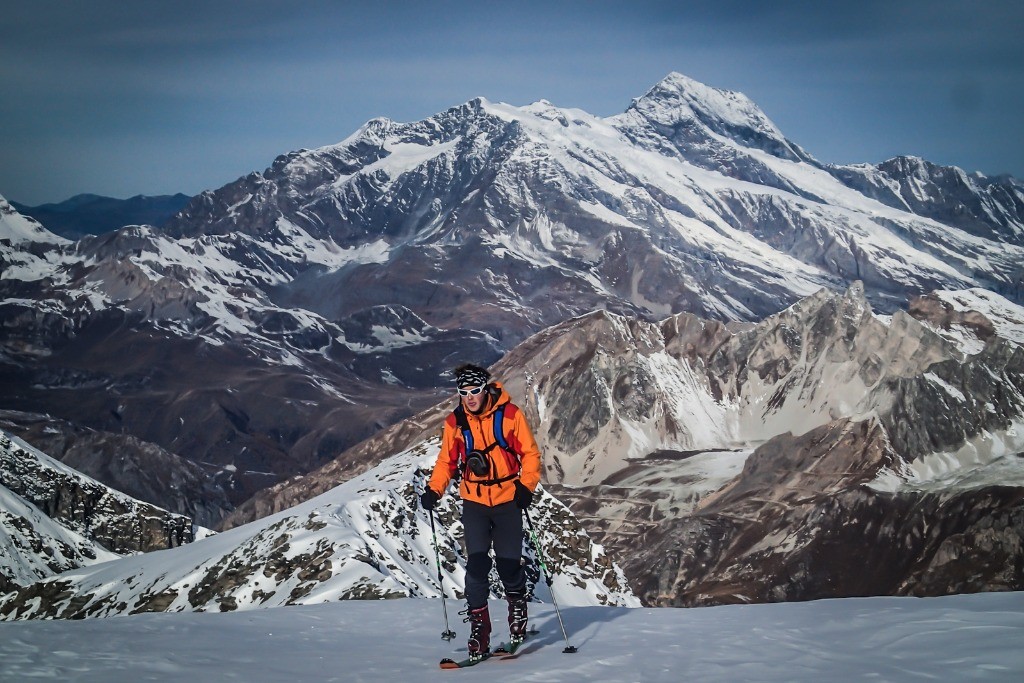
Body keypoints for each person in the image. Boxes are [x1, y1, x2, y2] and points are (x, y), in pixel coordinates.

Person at [420, 363, 541, 658]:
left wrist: (526, 487)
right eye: (463, 392)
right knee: (476, 567)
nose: (470, 397)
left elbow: (530, 453)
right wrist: (434, 489)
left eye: (474, 391)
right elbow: (447, 461)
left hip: (508, 500)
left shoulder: (509, 415)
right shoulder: (455, 422)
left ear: (485, 388)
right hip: (473, 502)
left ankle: (517, 612)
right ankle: (480, 632)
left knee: (509, 565)